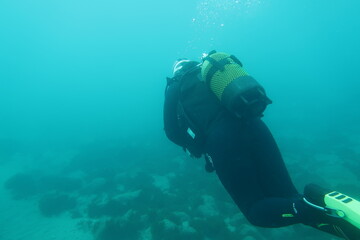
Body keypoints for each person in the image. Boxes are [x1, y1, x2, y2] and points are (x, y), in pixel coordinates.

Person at [163, 51, 360, 239]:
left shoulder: (176, 85)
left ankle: (316, 206)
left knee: (255, 210)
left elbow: (172, 132)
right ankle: (331, 210)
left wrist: (197, 148)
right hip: (255, 124)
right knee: (289, 197)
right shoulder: (211, 75)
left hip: (222, 139)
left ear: (177, 70)